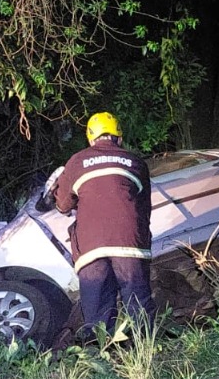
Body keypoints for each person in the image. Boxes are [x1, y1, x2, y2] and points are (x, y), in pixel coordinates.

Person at [52, 112, 156, 341]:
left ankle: (99, 351)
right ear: (119, 137)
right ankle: (145, 348)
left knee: (96, 302)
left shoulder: (78, 161)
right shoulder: (136, 162)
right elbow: (143, 207)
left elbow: (62, 204)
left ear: (90, 139)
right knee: (137, 297)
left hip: (91, 245)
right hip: (129, 242)